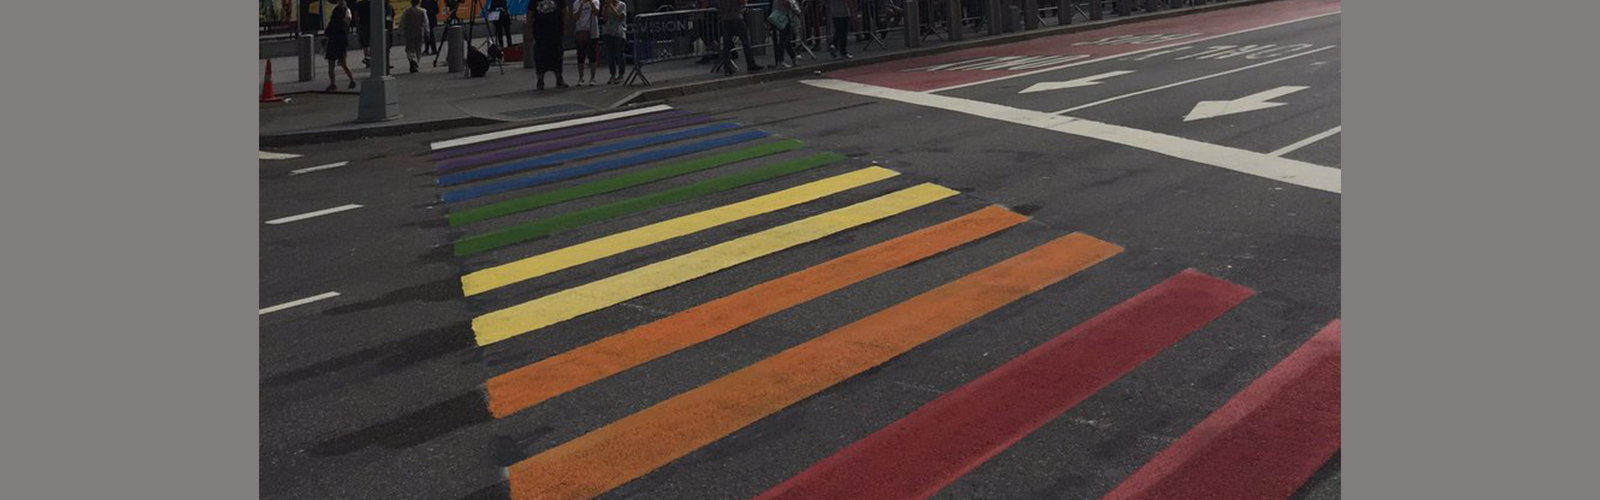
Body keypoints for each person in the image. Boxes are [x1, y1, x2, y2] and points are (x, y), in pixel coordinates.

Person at [716, 0, 763, 75]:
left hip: (725, 19)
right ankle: (751, 63)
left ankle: (727, 67)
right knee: (745, 42)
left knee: (726, 45)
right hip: (736, 17)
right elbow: (742, 2)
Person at [530, 0, 569, 89]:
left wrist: (564, 27)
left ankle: (559, 79)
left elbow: (565, 11)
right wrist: (530, 32)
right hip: (540, 35)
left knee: (557, 57)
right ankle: (540, 81)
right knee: (540, 58)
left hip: (555, 33)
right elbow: (530, 15)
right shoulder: (534, 1)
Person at [324, 0, 358, 90]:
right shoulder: (336, 10)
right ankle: (333, 83)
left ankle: (351, 80)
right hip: (335, 39)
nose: (341, 2)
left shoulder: (346, 11)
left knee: (343, 63)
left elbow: (347, 21)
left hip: (340, 40)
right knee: (332, 64)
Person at [571, 0, 601, 85]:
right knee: (580, 55)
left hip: (592, 32)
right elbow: (575, 17)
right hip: (580, 31)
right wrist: (581, 5)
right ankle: (581, 77)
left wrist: (591, 3)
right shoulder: (576, 3)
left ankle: (593, 77)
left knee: (592, 55)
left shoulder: (595, 1)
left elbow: (596, 12)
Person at [601, 0, 628, 84]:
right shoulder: (606, 6)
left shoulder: (622, 5)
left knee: (619, 54)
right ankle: (612, 74)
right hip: (608, 32)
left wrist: (612, 7)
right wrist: (605, 8)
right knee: (610, 55)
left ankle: (621, 75)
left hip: (618, 32)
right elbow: (604, 19)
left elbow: (620, 18)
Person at [769, 0, 800, 68]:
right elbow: (786, 2)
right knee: (784, 39)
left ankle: (793, 57)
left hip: (778, 14)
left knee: (786, 39)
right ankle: (781, 60)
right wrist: (793, 8)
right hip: (783, 16)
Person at [401, 0, 428, 73]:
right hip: (419, 32)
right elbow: (426, 23)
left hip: (409, 33)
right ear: (418, 2)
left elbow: (402, 22)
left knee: (409, 48)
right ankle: (416, 61)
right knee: (418, 48)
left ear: (411, 2)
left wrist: (400, 31)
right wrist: (427, 32)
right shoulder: (423, 11)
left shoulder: (406, 12)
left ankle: (412, 60)